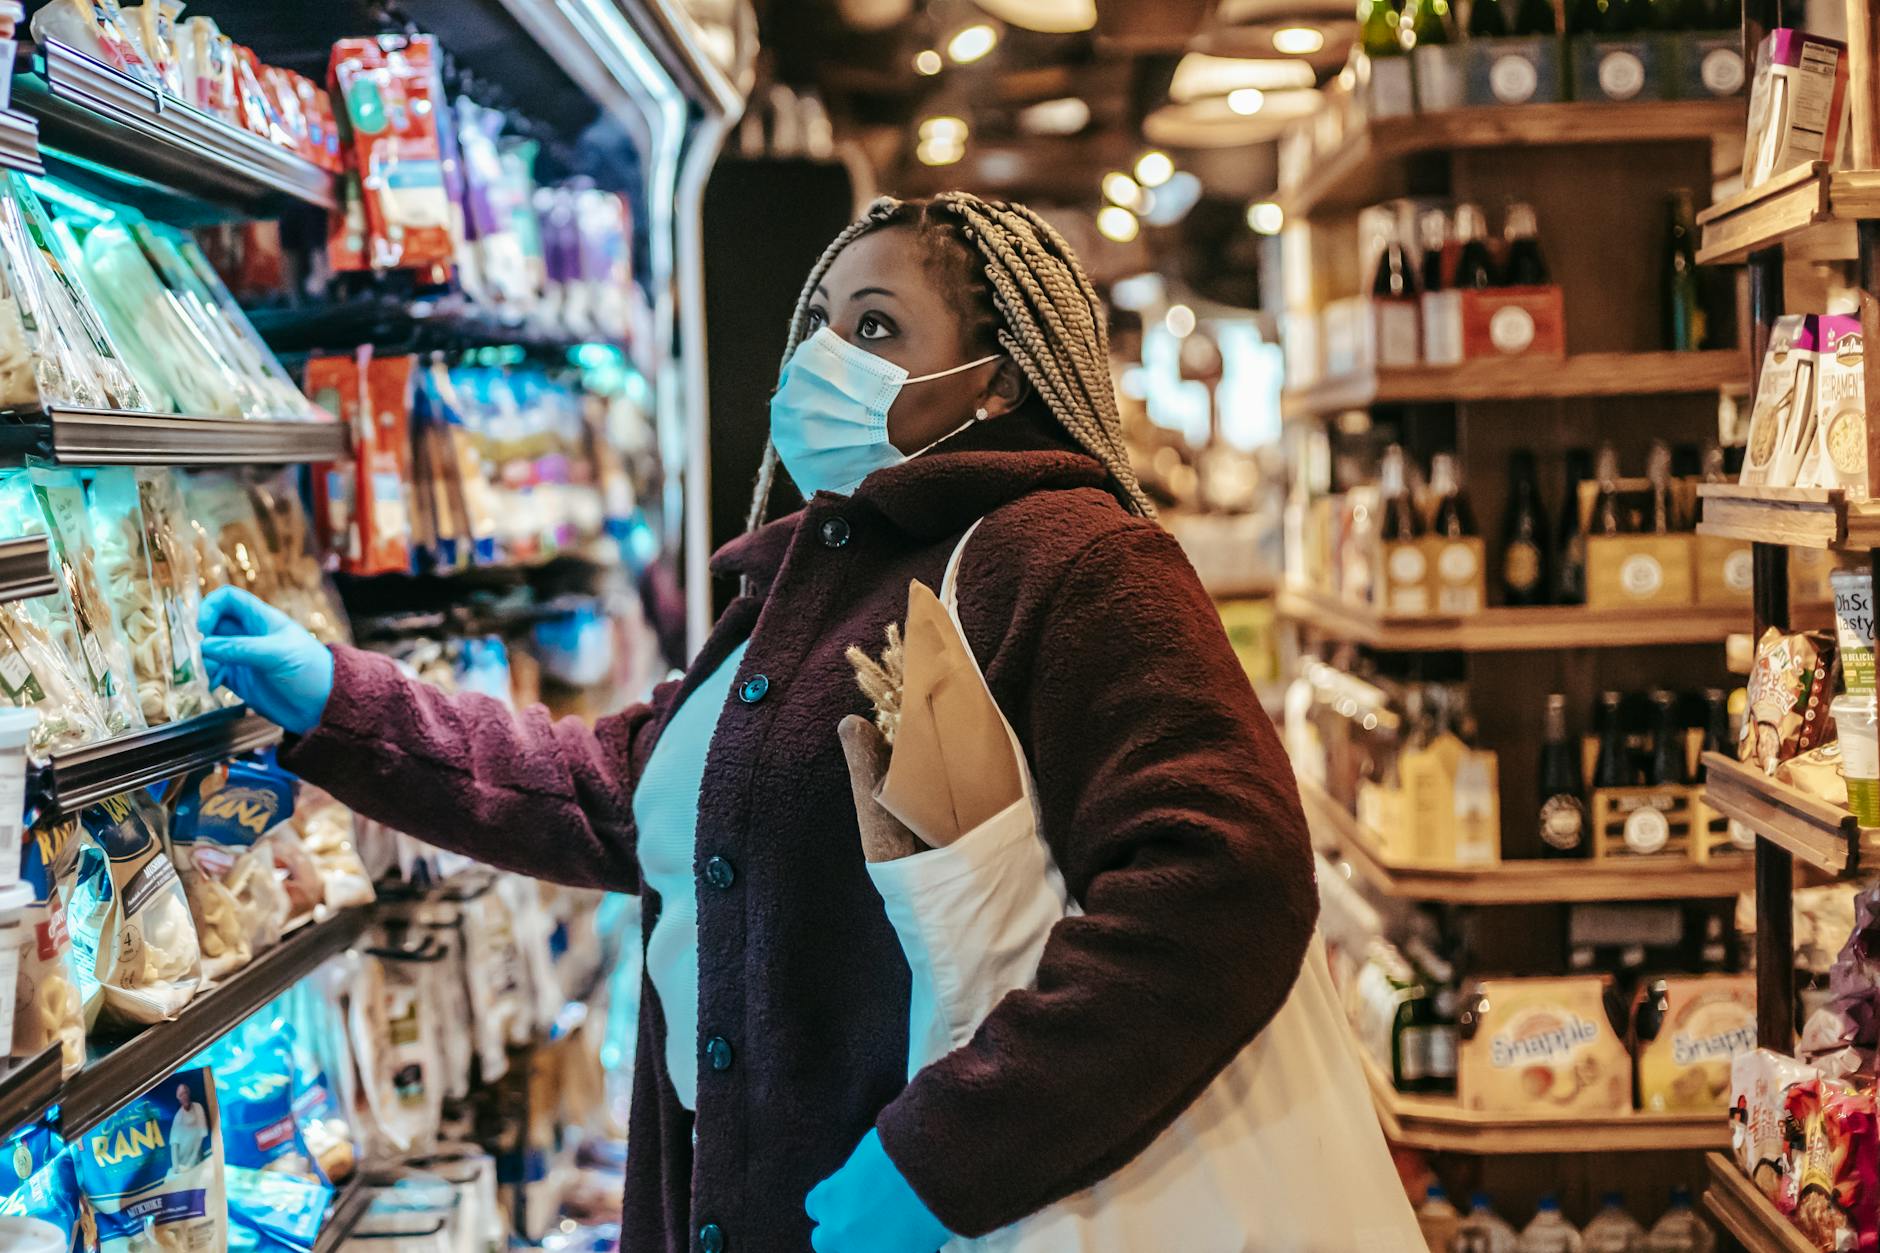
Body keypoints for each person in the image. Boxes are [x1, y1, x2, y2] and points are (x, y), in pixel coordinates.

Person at [200, 194, 1325, 1253]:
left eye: (875, 326)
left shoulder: (1068, 560)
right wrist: (343, 699)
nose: (820, 360)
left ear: (994, 382)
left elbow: (1224, 878)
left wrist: (944, 1154)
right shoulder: (803, 580)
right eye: (817, 326)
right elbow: (621, 791)